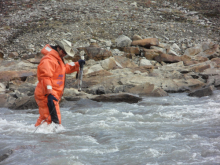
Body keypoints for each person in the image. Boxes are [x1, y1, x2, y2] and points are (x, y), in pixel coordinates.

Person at [34, 39, 85, 127]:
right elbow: (45, 77)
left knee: (47, 120)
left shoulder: (57, 59)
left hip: (51, 94)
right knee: (51, 121)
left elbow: (64, 69)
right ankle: (47, 139)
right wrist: (49, 94)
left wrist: (77, 64)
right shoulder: (49, 59)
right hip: (47, 95)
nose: (65, 54)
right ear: (58, 48)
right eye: (64, 52)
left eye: (66, 53)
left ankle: (38, 137)